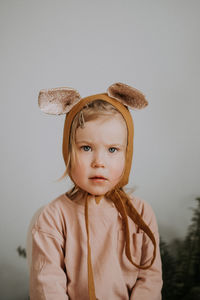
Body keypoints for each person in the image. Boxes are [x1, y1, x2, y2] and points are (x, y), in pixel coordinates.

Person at [30, 83, 163, 299]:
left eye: (112, 149)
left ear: (126, 155)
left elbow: (150, 279)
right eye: (86, 148)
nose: (99, 162)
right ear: (68, 151)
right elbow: (47, 285)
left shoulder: (141, 213)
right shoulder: (54, 217)